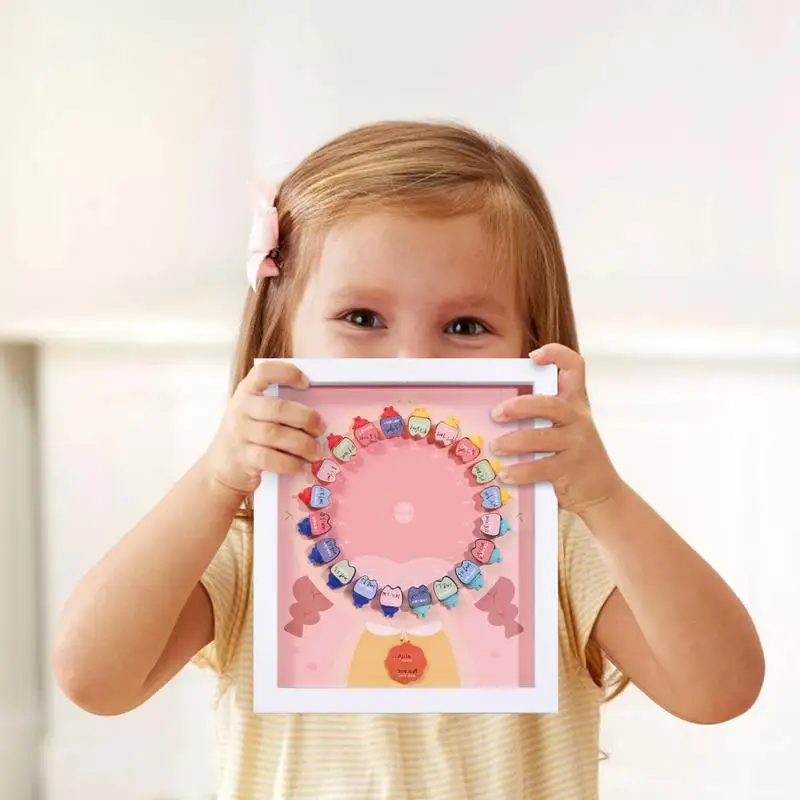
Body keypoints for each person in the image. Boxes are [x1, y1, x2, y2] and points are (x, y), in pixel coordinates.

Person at [52, 120, 764, 799]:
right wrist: (213, 482)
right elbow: (94, 678)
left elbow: (719, 690)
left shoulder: (559, 543)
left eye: (464, 326)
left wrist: (605, 499)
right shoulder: (248, 537)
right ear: (280, 331)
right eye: (361, 318)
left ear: (531, 349)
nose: (411, 360)